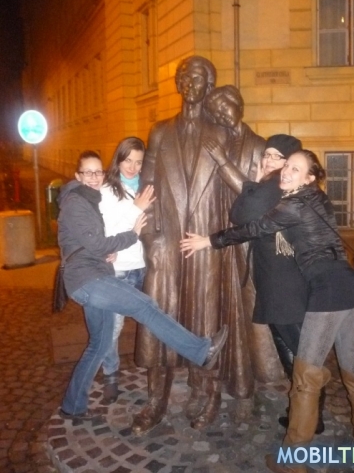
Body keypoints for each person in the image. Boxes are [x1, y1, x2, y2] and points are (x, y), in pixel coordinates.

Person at [181, 150, 354, 473]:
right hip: (352, 289)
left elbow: (252, 227)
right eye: (287, 166)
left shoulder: (293, 205)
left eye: (295, 169)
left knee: (306, 377)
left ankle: (294, 461)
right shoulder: (320, 199)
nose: (286, 172)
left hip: (328, 294)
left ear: (309, 178)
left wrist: (209, 241)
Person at [58, 150, 228, 421]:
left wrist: (106, 251)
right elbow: (97, 243)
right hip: (89, 279)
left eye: (98, 172)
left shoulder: (88, 199)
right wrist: (132, 235)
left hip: (92, 276)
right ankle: (201, 351)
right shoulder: (76, 202)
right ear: (78, 176)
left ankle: (72, 406)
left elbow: (91, 243)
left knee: (99, 344)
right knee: (145, 307)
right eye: (87, 172)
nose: (94, 177)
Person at [134, 55, 233, 433]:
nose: (190, 84)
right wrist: (151, 239)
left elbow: (235, 188)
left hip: (206, 240)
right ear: (178, 84)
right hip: (169, 240)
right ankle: (156, 398)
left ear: (209, 86)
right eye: (184, 78)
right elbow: (147, 189)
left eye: (198, 78)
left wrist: (222, 241)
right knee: (161, 316)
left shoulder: (222, 132)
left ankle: (208, 391)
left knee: (205, 317)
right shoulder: (160, 132)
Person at [227, 133, 325, 433]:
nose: (269, 160)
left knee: (299, 349)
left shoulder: (274, 187)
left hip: (285, 284)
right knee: (291, 346)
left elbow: (239, 216)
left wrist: (254, 183)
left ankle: (310, 414)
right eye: (266, 154)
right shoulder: (289, 188)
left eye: (276, 156)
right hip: (285, 281)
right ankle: (306, 409)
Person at [201, 86, 284, 423]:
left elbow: (252, 196)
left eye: (226, 109)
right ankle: (237, 369)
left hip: (252, 242)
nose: (222, 116)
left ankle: (268, 373)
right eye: (216, 113)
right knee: (233, 308)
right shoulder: (226, 140)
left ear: (239, 106)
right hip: (229, 237)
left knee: (255, 310)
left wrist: (221, 161)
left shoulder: (259, 146)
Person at [99, 137, 155, 404]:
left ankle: (159, 368)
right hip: (119, 268)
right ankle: (110, 374)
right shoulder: (107, 190)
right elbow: (108, 230)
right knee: (113, 327)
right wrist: (136, 208)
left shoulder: (147, 187)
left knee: (156, 318)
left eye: (138, 162)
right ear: (118, 159)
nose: (132, 167)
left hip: (144, 265)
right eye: (128, 160)